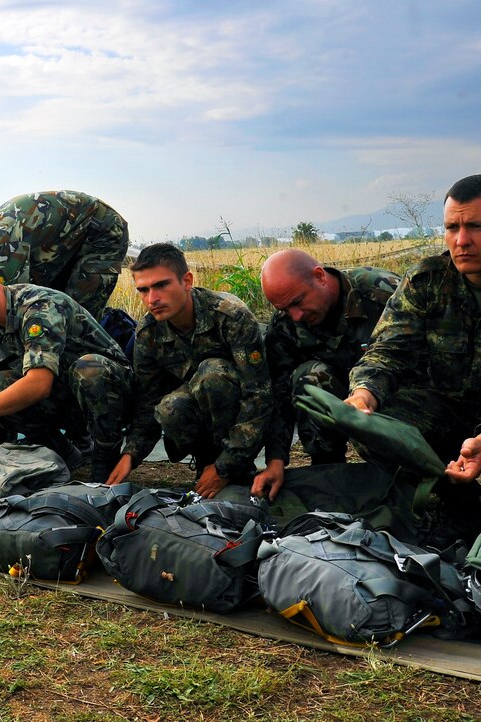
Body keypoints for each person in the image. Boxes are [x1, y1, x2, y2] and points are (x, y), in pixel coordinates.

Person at [345, 174, 481, 539]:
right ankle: (449, 501)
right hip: (447, 411)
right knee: (375, 426)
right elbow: (389, 350)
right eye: (452, 227)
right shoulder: (428, 281)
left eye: (475, 226)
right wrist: (363, 395)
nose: (461, 240)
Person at [0, 259, 131, 483]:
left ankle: (105, 460)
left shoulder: (37, 306)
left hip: (110, 393)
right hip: (66, 394)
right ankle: (64, 453)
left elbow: (38, 384)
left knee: (88, 370)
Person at [106, 243, 271, 499]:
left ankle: (234, 471)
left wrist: (225, 467)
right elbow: (147, 402)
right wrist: (131, 455)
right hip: (200, 416)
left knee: (212, 374)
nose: (152, 299)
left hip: (244, 418)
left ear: (187, 281)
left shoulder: (230, 316)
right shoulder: (148, 333)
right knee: (169, 408)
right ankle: (205, 463)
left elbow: (258, 395)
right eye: (143, 290)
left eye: (161, 285)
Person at [253, 249, 400, 500]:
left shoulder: (383, 292)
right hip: (341, 395)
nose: (296, 316)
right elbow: (279, 394)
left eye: (298, 302)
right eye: (285, 309)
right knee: (308, 377)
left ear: (320, 276)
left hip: (392, 395)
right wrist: (276, 460)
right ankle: (328, 468)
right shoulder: (286, 324)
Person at [0, 190, 128, 319]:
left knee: (77, 316)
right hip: (69, 245)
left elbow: (14, 304)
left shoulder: (2, 244)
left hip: (102, 233)